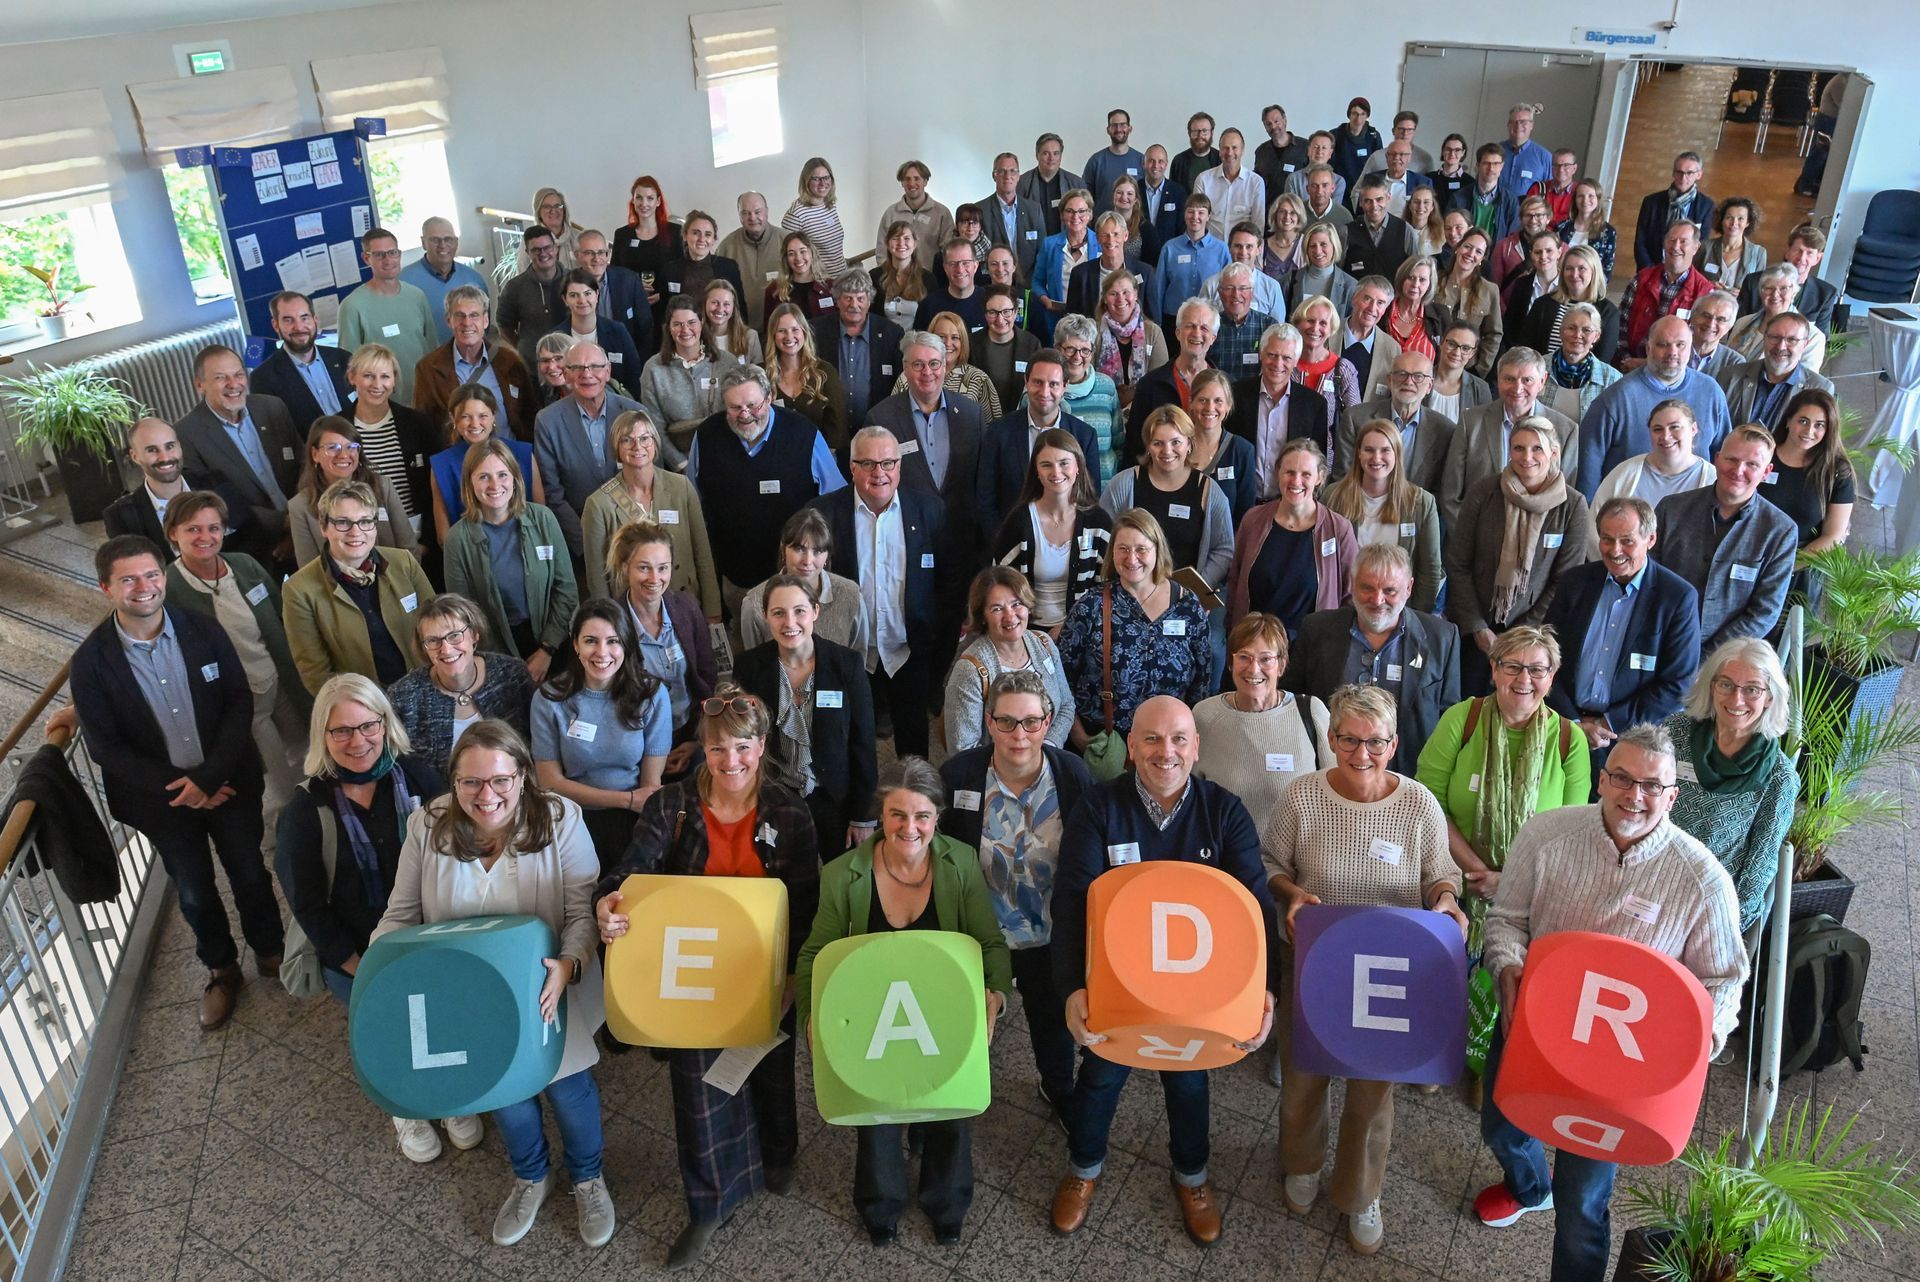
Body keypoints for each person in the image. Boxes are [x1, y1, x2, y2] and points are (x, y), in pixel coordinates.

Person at [1475, 724, 1744, 1281]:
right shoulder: (1545, 834)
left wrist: (1698, 1045)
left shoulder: (1703, 880)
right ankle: (1531, 1187)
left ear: (1672, 797)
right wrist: (1507, 966)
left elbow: (1723, 981)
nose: (1634, 795)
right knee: (1501, 1130)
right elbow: (1506, 921)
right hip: (1531, 1033)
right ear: (1602, 780)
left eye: (1652, 786)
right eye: (1622, 778)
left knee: (1582, 1205)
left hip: (1616, 1071)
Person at [594, 685, 819, 1268]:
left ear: (762, 746)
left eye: (742, 747)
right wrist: (608, 902)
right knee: (697, 1090)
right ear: (703, 749)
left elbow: (806, 904)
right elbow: (630, 873)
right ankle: (708, 1204)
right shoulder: (670, 807)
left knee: (771, 1073)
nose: (730, 761)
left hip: (764, 972)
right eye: (718, 749)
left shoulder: (790, 813)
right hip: (689, 977)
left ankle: (779, 1155)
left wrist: (795, 976)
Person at [1048, 695, 1277, 1246]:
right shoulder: (1099, 807)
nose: (1164, 751)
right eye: (1150, 738)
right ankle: (1083, 1168)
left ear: (1196, 747)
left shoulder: (1224, 812)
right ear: (1131, 746)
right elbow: (1071, 899)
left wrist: (1265, 992)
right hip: (1116, 984)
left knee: (1189, 1080)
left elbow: (1256, 905)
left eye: (1178, 739)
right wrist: (1072, 987)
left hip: (1195, 990)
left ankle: (1192, 1177)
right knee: (1099, 1075)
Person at [375, 718, 612, 1248]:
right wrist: (381, 979)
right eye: (471, 782)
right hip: (471, 992)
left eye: (501, 780)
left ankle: (588, 1178)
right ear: (453, 781)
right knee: (504, 1090)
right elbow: (400, 915)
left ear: (523, 776)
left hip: (548, 985)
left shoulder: (561, 819)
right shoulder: (427, 826)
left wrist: (570, 963)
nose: (487, 796)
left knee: (568, 1086)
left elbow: (582, 911)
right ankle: (530, 1176)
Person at [1264, 682, 1463, 1254]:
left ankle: (1361, 1191)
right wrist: (1291, 893)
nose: (1361, 753)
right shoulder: (1302, 796)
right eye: (1349, 739)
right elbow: (1272, 862)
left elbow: (1440, 875)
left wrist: (1446, 900)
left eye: (1375, 741)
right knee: (1304, 1073)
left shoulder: (1419, 804)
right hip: (1316, 958)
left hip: (1390, 967)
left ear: (1394, 744)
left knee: (1373, 1090)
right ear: (1331, 739)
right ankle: (1301, 1163)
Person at [796, 758, 1011, 1247]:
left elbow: (989, 942)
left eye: (922, 816)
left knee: (951, 1112)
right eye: (897, 814)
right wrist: (810, 1015)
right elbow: (816, 952)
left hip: (942, 1009)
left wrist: (996, 996)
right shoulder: (843, 875)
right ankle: (880, 1205)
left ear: (937, 817)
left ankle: (947, 1203)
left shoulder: (959, 864)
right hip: (874, 1013)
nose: (909, 828)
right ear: (881, 814)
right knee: (875, 1115)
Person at [72, 536, 282, 1030]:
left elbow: (238, 701)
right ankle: (221, 970)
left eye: (151, 575)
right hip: (162, 802)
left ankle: (272, 951)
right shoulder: (91, 662)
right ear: (106, 588)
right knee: (193, 890)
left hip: (228, 783)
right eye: (128, 579)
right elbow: (106, 746)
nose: (143, 587)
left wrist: (209, 777)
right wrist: (185, 787)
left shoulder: (202, 629)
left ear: (163, 577)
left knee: (250, 872)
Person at [276, 679, 446, 1153]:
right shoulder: (305, 811)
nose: (358, 741)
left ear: (385, 724)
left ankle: (450, 1095)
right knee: (388, 1031)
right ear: (323, 736)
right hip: (356, 953)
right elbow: (307, 905)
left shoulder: (419, 779)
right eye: (342, 731)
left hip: (427, 940)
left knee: (437, 1018)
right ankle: (405, 1108)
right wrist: (360, 966)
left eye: (369, 725)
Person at [938, 670, 1093, 1124]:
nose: (1018, 735)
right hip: (981, 935)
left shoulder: (1072, 776)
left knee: (1051, 1024)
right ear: (989, 722)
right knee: (968, 1022)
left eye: (1030, 722)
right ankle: (952, 1098)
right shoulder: (960, 776)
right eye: (1005, 722)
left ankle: (1057, 1089)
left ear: (1047, 722)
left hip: (1050, 934)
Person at [1415, 626, 1589, 995]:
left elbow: (1571, 834)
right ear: (1494, 669)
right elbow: (1428, 803)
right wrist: (1479, 874)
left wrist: (1508, 883)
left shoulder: (1569, 740)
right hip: (1454, 890)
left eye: (1537, 669)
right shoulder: (1462, 719)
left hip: (1531, 906)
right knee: (1440, 998)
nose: (1524, 679)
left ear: (1552, 676)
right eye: (1512, 667)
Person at [163, 491, 309, 818]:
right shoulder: (169, 588)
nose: (206, 536)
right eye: (193, 529)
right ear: (173, 532)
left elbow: (282, 614)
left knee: (308, 750)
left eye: (214, 528)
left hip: (279, 680)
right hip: (242, 702)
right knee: (278, 777)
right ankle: (293, 826)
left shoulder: (244, 565)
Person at [810, 427, 951, 756]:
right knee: (855, 742)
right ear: (852, 467)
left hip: (909, 649)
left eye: (888, 463)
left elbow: (947, 582)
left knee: (914, 743)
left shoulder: (929, 510)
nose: (880, 473)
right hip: (852, 652)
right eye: (868, 464)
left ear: (899, 465)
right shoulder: (823, 514)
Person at [1544, 497, 1703, 771]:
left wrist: (1608, 723)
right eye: (1607, 539)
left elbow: (1678, 683)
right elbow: (1546, 656)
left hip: (1631, 740)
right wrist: (1574, 722)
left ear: (1650, 539)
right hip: (1563, 727)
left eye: (1627, 541)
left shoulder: (1677, 597)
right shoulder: (1575, 582)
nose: (1615, 550)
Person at [1445, 419, 1596, 692]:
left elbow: (1565, 580)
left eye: (1537, 448)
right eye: (1519, 448)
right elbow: (1458, 563)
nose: (1527, 457)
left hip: (1534, 635)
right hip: (1475, 629)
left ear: (1553, 453)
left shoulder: (1573, 506)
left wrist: (1519, 635)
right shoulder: (1484, 491)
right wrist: (1477, 627)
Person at [690, 364, 847, 624]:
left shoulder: (803, 434)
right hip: (735, 578)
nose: (745, 415)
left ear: (769, 398)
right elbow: (693, 502)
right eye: (735, 408)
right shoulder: (707, 436)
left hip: (796, 582)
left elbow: (836, 499)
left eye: (753, 406)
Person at [1286, 542, 1459, 773]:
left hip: (1411, 776)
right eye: (1367, 588)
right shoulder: (1316, 629)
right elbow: (1293, 704)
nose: (1377, 600)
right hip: (1330, 771)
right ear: (1352, 583)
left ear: (1409, 588)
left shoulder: (1442, 638)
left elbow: (1450, 718)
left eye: (1389, 591)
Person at [731, 576, 876, 850]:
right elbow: (741, 741)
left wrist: (863, 816)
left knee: (841, 871)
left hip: (835, 796)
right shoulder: (748, 667)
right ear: (765, 616)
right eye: (778, 613)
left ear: (815, 611)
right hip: (774, 797)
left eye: (799, 611)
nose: (790, 622)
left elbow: (864, 742)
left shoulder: (846, 664)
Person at [1665, 638, 1798, 931]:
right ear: (1711, 686)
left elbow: (1758, 870)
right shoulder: (1675, 733)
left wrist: (1723, 929)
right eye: (1726, 684)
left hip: (1708, 906)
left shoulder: (1779, 778)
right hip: (1649, 878)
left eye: (1752, 689)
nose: (1737, 700)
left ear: (1770, 697)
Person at [530, 599, 669, 862]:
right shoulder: (549, 699)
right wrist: (625, 799)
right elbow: (549, 782)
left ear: (625, 644)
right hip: (571, 815)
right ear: (575, 645)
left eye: (613, 641)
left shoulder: (651, 695)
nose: (602, 653)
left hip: (633, 817)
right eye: (591, 641)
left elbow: (649, 787)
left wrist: (631, 804)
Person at [1058, 510, 1210, 741]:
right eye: (1123, 549)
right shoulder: (1091, 606)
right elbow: (1061, 679)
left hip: (1169, 744)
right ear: (1112, 552)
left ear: (1157, 550)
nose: (1131, 558)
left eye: (1141, 549)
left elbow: (1202, 682)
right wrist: (1081, 739)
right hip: (1106, 742)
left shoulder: (1187, 606)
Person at [1653, 425, 1799, 656]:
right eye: (1732, 459)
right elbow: (1649, 579)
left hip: (1725, 658)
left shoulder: (1780, 532)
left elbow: (1764, 612)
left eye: (1752, 464)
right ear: (1717, 459)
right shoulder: (1671, 509)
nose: (1738, 470)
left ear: (1766, 471)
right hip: (1657, 641)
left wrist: (1709, 658)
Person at [282, 480, 436, 693]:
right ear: (323, 527)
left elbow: (437, 625)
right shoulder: (299, 590)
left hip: (427, 687)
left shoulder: (404, 562)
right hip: (365, 703)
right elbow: (316, 674)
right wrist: (364, 706)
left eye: (365, 521)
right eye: (343, 522)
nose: (356, 532)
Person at [443, 440, 577, 677]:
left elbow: (566, 590)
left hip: (555, 644)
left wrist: (547, 650)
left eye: (502, 475)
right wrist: (505, 664)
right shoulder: (457, 539)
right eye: (484, 477)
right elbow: (464, 613)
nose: (495, 485)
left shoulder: (543, 519)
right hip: (495, 655)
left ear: (515, 478)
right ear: (469, 483)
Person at [1193, 612, 1330, 827]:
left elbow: (1338, 791)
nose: (1254, 668)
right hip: (1223, 847)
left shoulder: (1311, 712)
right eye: (1244, 657)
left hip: (1297, 848)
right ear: (1231, 663)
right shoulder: (1204, 716)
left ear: (1282, 665)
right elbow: (1189, 798)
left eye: (1265, 659)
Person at [1578, 316, 1732, 500]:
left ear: (1690, 348)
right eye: (1663, 344)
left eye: (1680, 345)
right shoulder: (1616, 397)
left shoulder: (1711, 392)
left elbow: (1724, 455)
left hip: (1696, 507)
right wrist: (1589, 513)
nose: (1672, 352)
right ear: (1648, 348)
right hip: (1629, 507)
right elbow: (1589, 466)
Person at [173, 345, 302, 567]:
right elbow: (214, 501)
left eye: (239, 375)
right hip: (255, 546)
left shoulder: (272, 407)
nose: (234, 384)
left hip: (305, 526)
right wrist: (283, 525)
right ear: (199, 385)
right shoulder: (186, 435)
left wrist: (299, 523)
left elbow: (303, 464)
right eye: (221, 378)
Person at [864, 331, 987, 557]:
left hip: (963, 538)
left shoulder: (971, 415)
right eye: (918, 364)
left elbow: (983, 481)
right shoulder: (881, 418)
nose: (927, 372)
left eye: (934, 364)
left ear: (944, 366)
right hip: (905, 538)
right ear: (905, 368)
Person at [581, 409, 719, 607]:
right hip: (630, 611)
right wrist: (608, 619)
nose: (637, 446)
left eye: (645, 438)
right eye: (627, 440)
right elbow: (597, 579)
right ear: (616, 447)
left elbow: (702, 554)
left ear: (655, 442)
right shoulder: (598, 504)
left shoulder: (681, 487)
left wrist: (713, 611)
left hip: (685, 604)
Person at [387, 594, 535, 773]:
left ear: (474, 635)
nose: (446, 649)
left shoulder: (512, 675)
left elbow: (536, 749)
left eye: (455, 636)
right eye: (433, 640)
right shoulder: (403, 696)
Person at [1102, 405, 1235, 604]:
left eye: (1176, 442)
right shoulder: (1122, 485)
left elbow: (1223, 548)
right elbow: (1103, 539)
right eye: (1158, 443)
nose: (1167, 451)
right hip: (1130, 595)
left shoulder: (1209, 491)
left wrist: (1197, 592)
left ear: (1189, 443)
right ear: (1148, 446)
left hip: (1187, 598)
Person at [534, 340, 649, 561]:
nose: (587, 374)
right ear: (566, 374)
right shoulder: (548, 421)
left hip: (637, 534)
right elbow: (553, 493)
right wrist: (588, 543)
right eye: (577, 367)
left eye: (595, 366)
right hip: (580, 539)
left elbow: (652, 478)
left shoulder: (635, 413)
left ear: (608, 371)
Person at [991, 428, 1114, 633]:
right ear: (1036, 472)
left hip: (1084, 630)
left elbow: (1108, 589)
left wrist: (1069, 627)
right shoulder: (1019, 522)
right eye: (1046, 465)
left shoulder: (1098, 521)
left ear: (1078, 467)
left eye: (1064, 463)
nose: (1056, 472)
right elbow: (999, 583)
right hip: (1025, 632)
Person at [1440, 347, 1579, 527]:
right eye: (1509, 379)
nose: (1517, 388)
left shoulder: (1565, 431)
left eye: (1527, 380)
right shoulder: (1471, 422)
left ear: (1542, 381)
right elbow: (1450, 495)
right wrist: (1469, 535)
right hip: (1476, 534)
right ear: (1498, 380)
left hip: (1537, 536)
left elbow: (1563, 501)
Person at [942, 566, 1074, 753]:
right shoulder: (969, 670)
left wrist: (1046, 750)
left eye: (1016, 604)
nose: (1010, 616)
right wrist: (1019, 763)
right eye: (997, 609)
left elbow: (1066, 706)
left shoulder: (1044, 645)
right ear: (982, 616)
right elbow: (962, 750)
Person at [1324, 421, 1444, 610]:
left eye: (1385, 450)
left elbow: (1430, 570)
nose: (1376, 457)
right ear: (1358, 453)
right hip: (1345, 610)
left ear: (1397, 454)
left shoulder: (1421, 503)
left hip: (1398, 612)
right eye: (1369, 450)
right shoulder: (1333, 497)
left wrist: (1416, 618)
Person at [978, 348, 1099, 532]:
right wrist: (1002, 543)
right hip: (1011, 542)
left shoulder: (1084, 436)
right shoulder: (998, 433)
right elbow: (985, 501)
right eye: (1038, 382)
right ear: (1026, 382)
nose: (1044, 392)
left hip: (1067, 541)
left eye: (1053, 384)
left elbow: (1089, 501)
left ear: (1065, 386)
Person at [338, 343, 438, 545]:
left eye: (385, 376)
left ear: (394, 381)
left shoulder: (418, 424)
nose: (377, 384)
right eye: (368, 376)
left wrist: (426, 542)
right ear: (352, 377)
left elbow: (434, 488)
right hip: (361, 540)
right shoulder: (338, 429)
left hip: (418, 538)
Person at [289, 417, 417, 568]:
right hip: (333, 583)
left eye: (351, 447)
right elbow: (309, 570)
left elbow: (409, 549)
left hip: (393, 578)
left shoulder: (383, 487)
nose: (343, 455)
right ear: (315, 454)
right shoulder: (299, 506)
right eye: (333, 447)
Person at [415, 288, 538, 443]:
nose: (467, 323)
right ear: (448, 321)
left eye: (474, 315)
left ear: (485, 320)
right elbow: (423, 427)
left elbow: (529, 414)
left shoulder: (510, 361)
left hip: (509, 454)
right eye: (459, 315)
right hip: (460, 457)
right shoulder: (428, 369)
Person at [337, 228, 438, 403]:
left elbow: (432, 349)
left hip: (425, 397)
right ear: (366, 258)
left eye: (392, 253)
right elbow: (349, 366)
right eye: (379, 255)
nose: (388, 260)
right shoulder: (352, 306)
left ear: (399, 254)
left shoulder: (416, 296)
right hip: (383, 404)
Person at [426, 384, 538, 541]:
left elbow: (541, 517)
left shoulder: (522, 453)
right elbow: (444, 537)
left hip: (526, 543)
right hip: (468, 550)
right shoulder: (442, 465)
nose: (475, 424)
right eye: (465, 417)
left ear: (493, 416)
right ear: (453, 418)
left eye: (482, 416)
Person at [1333, 350, 1453, 493]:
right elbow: (1342, 479)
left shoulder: (1445, 430)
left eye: (1418, 376)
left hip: (1416, 506)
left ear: (1429, 386)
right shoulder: (1355, 418)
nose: (1409, 382)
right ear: (1389, 380)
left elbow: (1442, 490)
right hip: (1361, 504)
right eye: (1402, 374)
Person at [639, 296, 741, 452]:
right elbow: (654, 427)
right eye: (677, 324)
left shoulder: (728, 362)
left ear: (702, 323)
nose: (685, 330)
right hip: (676, 460)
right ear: (668, 328)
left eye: (691, 322)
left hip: (726, 452)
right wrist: (680, 463)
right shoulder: (653, 369)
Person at [814, 268, 906, 438]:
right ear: (837, 300)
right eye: (848, 298)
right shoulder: (817, 332)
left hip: (878, 431)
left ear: (869, 301)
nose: (854, 305)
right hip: (830, 432)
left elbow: (900, 385)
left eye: (860, 298)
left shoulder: (891, 334)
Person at [1763, 387, 1854, 553]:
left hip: (1802, 558)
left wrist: (1788, 566)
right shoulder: (1762, 454)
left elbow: (1832, 536)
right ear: (1788, 420)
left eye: (1819, 425)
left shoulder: (1837, 471)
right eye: (1803, 421)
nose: (1809, 431)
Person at [1123, 297, 1216, 460]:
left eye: (1204, 328)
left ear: (1213, 338)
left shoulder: (1226, 387)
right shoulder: (1149, 385)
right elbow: (1134, 447)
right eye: (1190, 326)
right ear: (1178, 332)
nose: (1197, 333)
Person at [249, 291, 353, 434]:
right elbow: (276, 435)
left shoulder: (343, 359)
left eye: (304, 318)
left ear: (315, 319)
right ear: (275, 325)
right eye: (288, 320)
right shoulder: (263, 379)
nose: (298, 327)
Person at [1719, 312, 1836, 431]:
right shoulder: (1731, 376)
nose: (1781, 347)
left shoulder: (1820, 388)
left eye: (1792, 340)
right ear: (1764, 338)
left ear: (1805, 345)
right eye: (1775, 337)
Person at [1591, 398, 1714, 509]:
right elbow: (1594, 522)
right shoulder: (1623, 474)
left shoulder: (1713, 478)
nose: (1665, 436)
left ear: (1693, 429)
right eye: (1657, 429)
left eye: (1674, 427)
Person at [765, 300, 850, 452]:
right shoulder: (762, 374)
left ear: (804, 332)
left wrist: (822, 458)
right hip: (774, 456)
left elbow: (837, 427)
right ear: (773, 335)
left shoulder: (825, 372)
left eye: (795, 330)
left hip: (819, 456)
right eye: (782, 331)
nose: (789, 336)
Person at [1620, 222, 1714, 359]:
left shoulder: (1705, 294)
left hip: (1674, 366)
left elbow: (1700, 343)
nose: (1675, 247)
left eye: (1683, 242)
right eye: (1672, 240)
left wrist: (1647, 364)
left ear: (1696, 247)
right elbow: (1620, 324)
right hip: (1629, 363)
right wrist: (1626, 359)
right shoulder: (1641, 279)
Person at [1513, 244, 1617, 365]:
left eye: (1582, 268)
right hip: (1541, 373)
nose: (1574, 274)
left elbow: (1603, 360)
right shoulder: (1542, 305)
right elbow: (1526, 348)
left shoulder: (1608, 312)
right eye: (1569, 268)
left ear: (1594, 272)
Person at [1052, 315, 1123, 482]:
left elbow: (1119, 442)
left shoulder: (1106, 387)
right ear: (1057, 349)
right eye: (1070, 349)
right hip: (1057, 489)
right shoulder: (1043, 390)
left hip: (1104, 490)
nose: (1077, 357)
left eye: (1085, 350)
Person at [894, 309, 1001, 417]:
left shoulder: (978, 379)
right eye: (941, 337)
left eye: (955, 338)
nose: (948, 343)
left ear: (963, 341)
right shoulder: (907, 376)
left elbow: (993, 424)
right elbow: (893, 416)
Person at [400, 217, 491, 344]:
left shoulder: (474, 279)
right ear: (423, 243)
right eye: (435, 240)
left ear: (456, 242)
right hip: (427, 355)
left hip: (468, 353)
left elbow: (484, 326)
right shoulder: (404, 281)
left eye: (448, 239)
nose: (442, 245)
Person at [1187, 369, 1259, 527]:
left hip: (1226, 541)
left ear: (1228, 405)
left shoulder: (1242, 451)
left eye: (1218, 401)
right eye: (1203, 400)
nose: (1210, 407)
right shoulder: (1177, 446)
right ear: (1191, 402)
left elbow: (1245, 515)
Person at [103, 418, 187, 554]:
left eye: (170, 446)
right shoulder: (120, 517)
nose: (165, 458)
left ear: (180, 446)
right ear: (135, 456)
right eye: (152, 450)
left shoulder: (216, 484)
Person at [1727, 265, 1831, 374]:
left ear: (1794, 293)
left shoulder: (1812, 337)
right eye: (1769, 288)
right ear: (1761, 292)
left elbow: (1804, 378)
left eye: (1783, 288)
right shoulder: (1742, 323)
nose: (1775, 295)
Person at [545, 269, 644, 382]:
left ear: (597, 294)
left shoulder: (618, 331)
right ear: (565, 300)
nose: (582, 300)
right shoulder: (556, 337)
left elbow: (633, 374)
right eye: (573, 295)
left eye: (587, 293)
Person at [654, 210, 746, 332]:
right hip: (683, 335)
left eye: (708, 234)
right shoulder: (669, 270)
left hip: (720, 334)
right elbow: (664, 314)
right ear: (685, 236)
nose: (702, 239)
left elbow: (740, 308)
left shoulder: (729, 267)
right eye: (696, 233)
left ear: (714, 239)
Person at [1737, 224, 1837, 335]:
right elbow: (1739, 326)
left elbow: (1822, 338)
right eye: (1797, 250)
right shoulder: (1753, 282)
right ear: (1787, 251)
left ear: (1817, 258)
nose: (1802, 258)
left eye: (1809, 253)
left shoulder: (1825, 293)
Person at [1536, 302, 1622, 424]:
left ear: (1596, 336)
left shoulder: (1612, 380)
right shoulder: (1537, 368)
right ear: (1561, 332)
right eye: (1571, 328)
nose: (1577, 335)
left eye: (1586, 330)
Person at [1155, 194, 1231, 331]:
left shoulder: (1221, 249)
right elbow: (1159, 288)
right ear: (1184, 215)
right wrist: (1157, 322)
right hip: (1173, 319)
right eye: (1190, 211)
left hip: (1209, 320)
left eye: (1201, 212)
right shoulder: (1170, 248)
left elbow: (1228, 287)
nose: (1195, 217)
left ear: (1208, 216)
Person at [1290, 294, 1364, 432]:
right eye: (1310, 320)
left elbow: (1356, 421)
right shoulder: (1283, 363)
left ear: (1331, 330)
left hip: (1327, 446)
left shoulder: (1343, 369)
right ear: (1298, 324)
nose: (1315, 328)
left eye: (1323, 323)